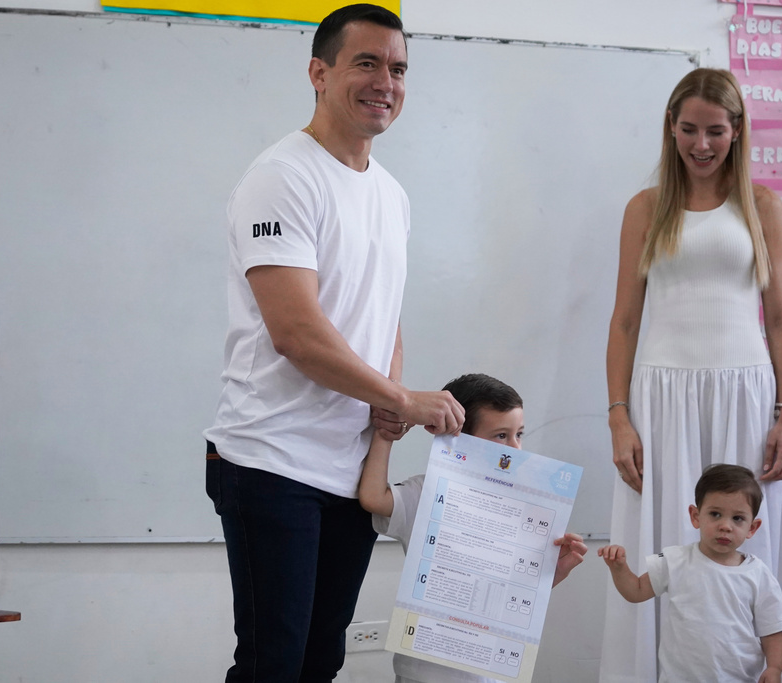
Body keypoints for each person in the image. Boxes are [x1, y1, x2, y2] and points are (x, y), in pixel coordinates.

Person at [203, 5, 466, 682]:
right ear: (319, 73)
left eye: (398, 69)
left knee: (321, 661)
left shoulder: (391, 195)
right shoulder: (282, 177)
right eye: (367, 63)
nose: (386, 82)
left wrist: (388, 409)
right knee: (273, 664)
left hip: (348, 471)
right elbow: (297, 334)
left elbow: (384, 319)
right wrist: (402, 399)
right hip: (272, 460)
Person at [600, 68, 782, 683]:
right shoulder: (645, 208)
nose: (701, 145)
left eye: (715, 132)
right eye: (689, 130)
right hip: (660, 398)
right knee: (665, 546)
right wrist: (619, 417)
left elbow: (780, 320)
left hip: (745, 395)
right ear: (671, 128)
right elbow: (624, 322)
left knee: (744, 544)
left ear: (737, 130)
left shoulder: (762, 206)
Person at [358, 373, 589, 683]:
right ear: (458, 436)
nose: (515, 448)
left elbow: (512, 596)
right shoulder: (427, 492)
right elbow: (373, 497)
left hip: (491, 670)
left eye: (519, 434)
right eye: (501, 436)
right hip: (425, 672)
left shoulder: (526, 511)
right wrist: (387, 431)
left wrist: (553, 572)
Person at [600, 465, 782, 683]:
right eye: (715, 514)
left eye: (737, 518)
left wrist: (775, 667)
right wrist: (619, 568)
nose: (725, 526)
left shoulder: (758, 574)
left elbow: (772, 627)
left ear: (752, 528)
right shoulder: (674, 560)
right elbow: (636, 591)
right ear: (695, 516)